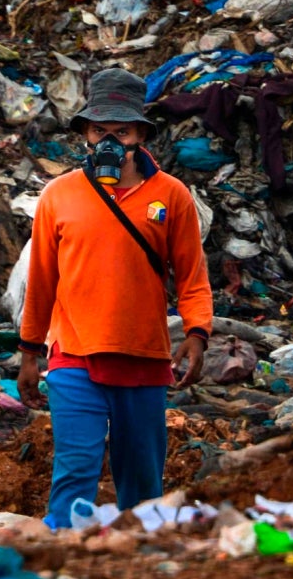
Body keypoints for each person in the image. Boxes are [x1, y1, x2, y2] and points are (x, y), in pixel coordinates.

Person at [17, 66, 211, 529]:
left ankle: (137, 574)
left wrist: (197, 331)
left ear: (140, 135)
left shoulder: (172, 196)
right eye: (99, 130)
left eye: (121, 131)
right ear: (84, 133)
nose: (109, 141)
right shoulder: (59, 196)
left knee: (143, 487)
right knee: (76, 473)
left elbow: (191, 275)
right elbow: (41, 280)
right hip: (74, 357)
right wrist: (29, 351)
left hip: (144, 360)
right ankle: (63, 567)